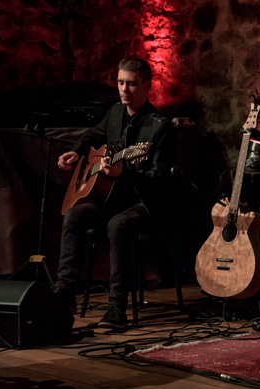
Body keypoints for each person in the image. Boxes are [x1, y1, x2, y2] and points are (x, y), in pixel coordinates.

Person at [53, 57, 176, 329]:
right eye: (120, 82)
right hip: (112, 199)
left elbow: (160, 180)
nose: (124, 90)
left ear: (147, 86)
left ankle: (116, 307)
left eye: (131, 84)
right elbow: (91, 134)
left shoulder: (160, 127)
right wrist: (77, 150)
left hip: (145, 204)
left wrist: (126, 174)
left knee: (117, 224)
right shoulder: (114, 113)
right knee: (74, 214)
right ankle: (65, 293)